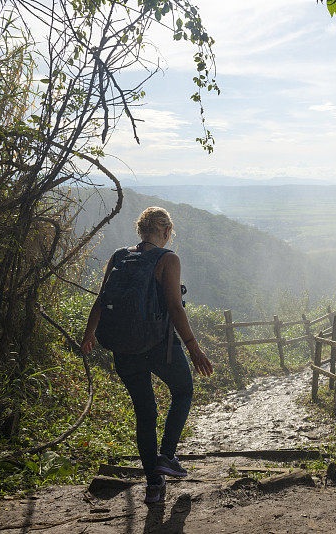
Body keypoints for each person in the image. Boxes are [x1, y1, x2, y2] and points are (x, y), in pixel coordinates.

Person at [80, 206, 213, 504]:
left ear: (141, 230)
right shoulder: (167, 259)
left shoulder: (118, 256)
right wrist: (194, 348)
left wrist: (89, 335)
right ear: (166, 232)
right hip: (157, 346)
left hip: (123, 347)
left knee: (145, 412)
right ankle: (166, 455)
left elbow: (102, 299)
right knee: (183, 390)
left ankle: (155, 486)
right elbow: (176, 308)